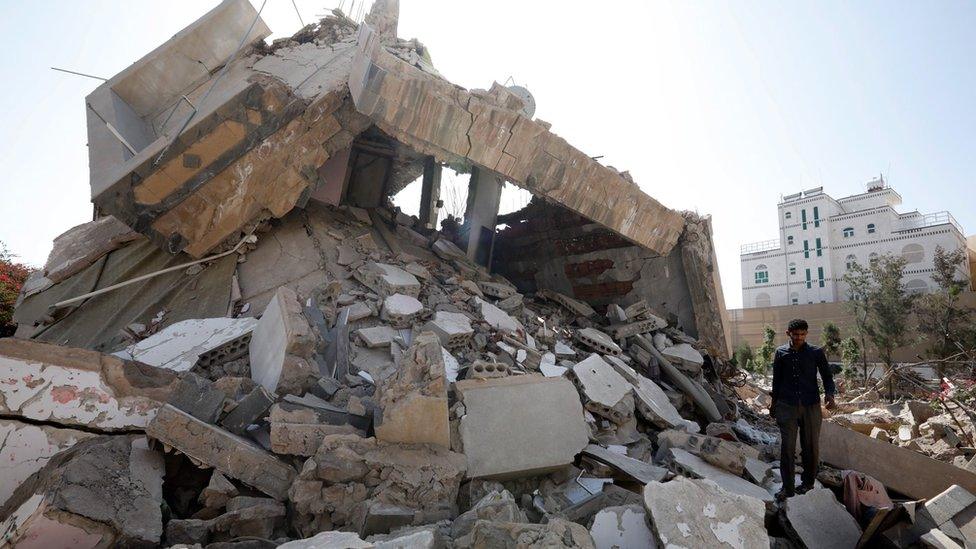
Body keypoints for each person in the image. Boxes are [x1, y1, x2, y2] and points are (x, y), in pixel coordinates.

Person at [769, 318, 837, 501]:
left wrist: (830, 395)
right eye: (795, 334)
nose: (799, 337)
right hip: (786, 406)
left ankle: (807, 484)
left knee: (811, 447)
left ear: (806, 334)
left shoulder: (816, 353)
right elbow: (776, 380)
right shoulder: (780, 353)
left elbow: (827, 377)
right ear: (788, 334)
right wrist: (773, 404)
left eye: (802, 334)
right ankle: (787, 488)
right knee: (787, 448)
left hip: (811, 407)